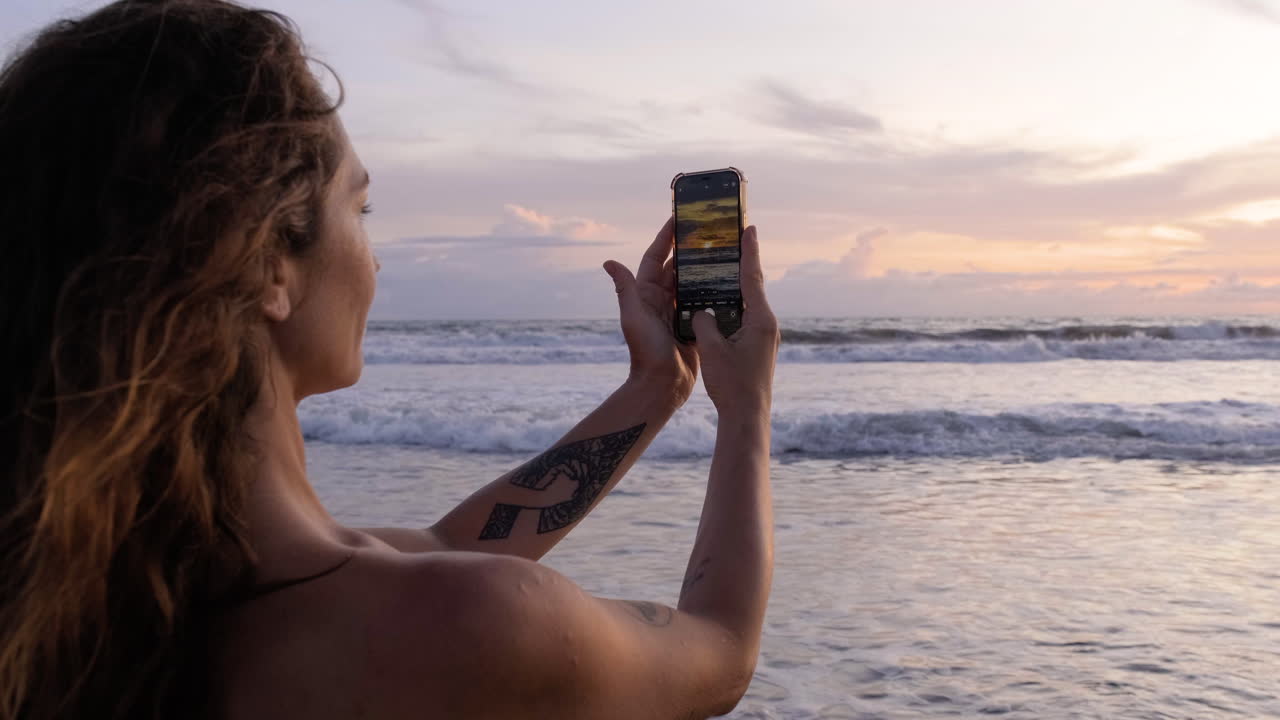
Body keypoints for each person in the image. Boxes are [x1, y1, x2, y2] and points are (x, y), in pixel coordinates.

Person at [0, 1, 778, 718]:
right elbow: (719, 653)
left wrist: (655, 388)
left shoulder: (104, 598)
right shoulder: (461, 623)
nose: (374, 262)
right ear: (268, 264)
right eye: (359, 207)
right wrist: (745, 409)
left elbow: (441, 551)